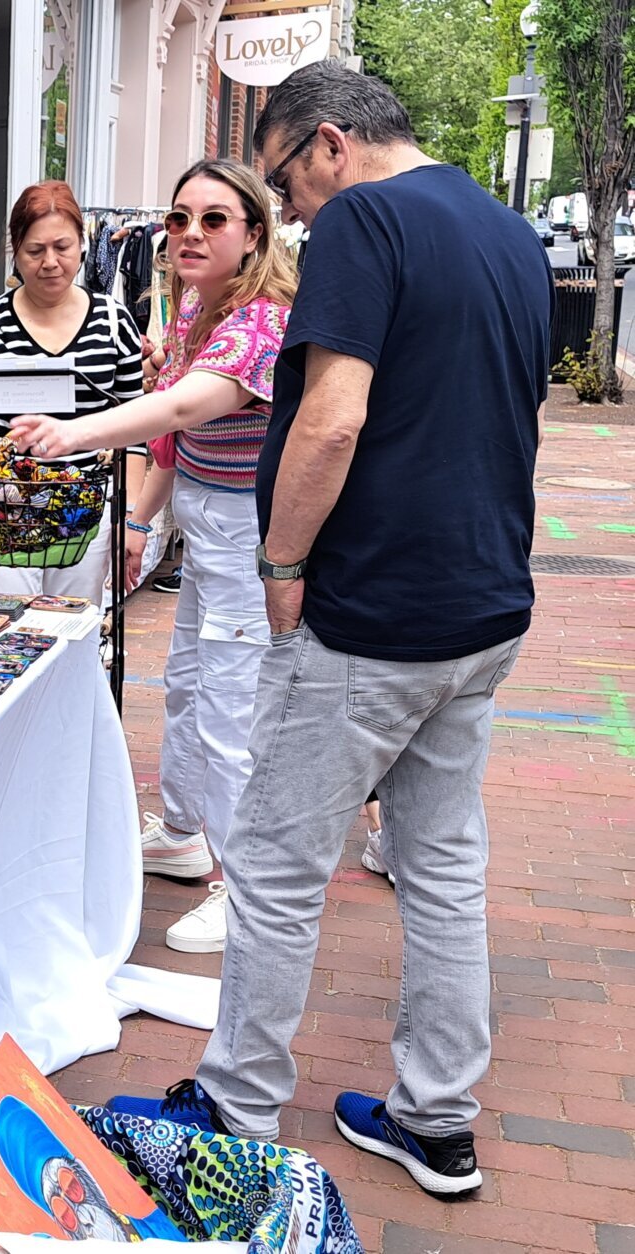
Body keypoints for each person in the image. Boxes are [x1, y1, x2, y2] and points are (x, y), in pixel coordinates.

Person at [107, 62, 550, 1199]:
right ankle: (436, 1118)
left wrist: (282, 560)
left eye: (283, 181)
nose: (289, 210)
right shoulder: (504, 233)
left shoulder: (362, 223)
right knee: (443, 867)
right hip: (482, 600)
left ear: (330, 144)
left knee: (276, 863)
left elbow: (332, 417)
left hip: (374, 611)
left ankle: (235, 1103)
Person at [10, 158, 296, 954]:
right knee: (187, 687)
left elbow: (183, 405)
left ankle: (245, 894)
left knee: (234, 711)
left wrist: (75, 433)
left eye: (213, 219)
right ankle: (182, 831)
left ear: (252, 234)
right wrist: (136, 527)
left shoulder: (262, 319)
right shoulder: (191, 311)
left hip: (248, 534)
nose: (190, 234)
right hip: (206, 526)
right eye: (179, 219)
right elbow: (175, 440)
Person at [0, 181, 147, 605]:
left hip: (83, 512)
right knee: (6, 629)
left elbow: (135, 431)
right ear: (15, 250)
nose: (50, 262)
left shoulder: (113, 323)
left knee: (72, 628)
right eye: (35, 251)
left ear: (83, 245)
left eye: (62, 247)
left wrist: (130, 518)